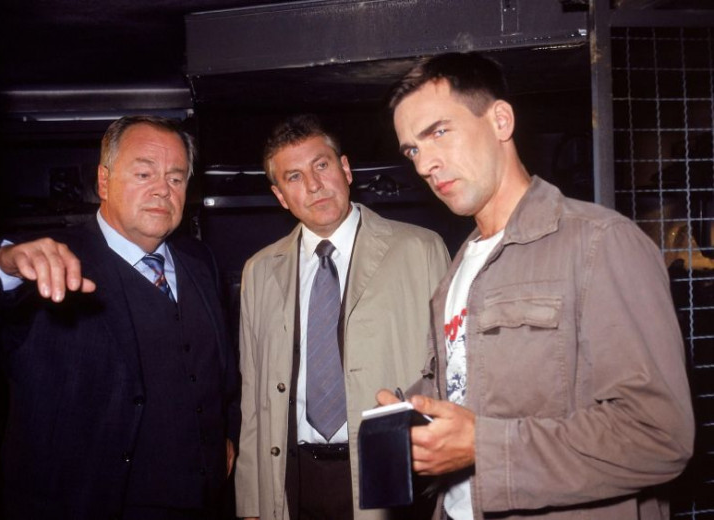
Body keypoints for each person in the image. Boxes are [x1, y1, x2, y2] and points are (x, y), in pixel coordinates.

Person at [375, 52, 695, 520]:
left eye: (439, 132)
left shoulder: (600, 242)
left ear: (500, 121)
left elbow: (659, 436)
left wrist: (483, 447)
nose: (425, 164)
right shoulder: (456, 272)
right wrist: (411, 413)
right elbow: (472, 389)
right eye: (412, 151)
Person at [0, 115, 241, 520]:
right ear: (103, 182)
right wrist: (2, 263)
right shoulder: (49, 261)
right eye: (144, 173)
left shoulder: (200, 261)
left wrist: (225, 434)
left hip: (204, 501)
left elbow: (223, 376)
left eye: (176, 178)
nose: (162, 189)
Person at [234, 114, 451, 520]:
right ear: (280, 196)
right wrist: (251, 500)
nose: (314, 185)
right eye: (294, 177)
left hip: (390, 474)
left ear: (346, 169)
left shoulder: (420, 250)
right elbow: (253, 397)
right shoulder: (259, 271)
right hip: (292, 477)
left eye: (321, 165)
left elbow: (452, 374)